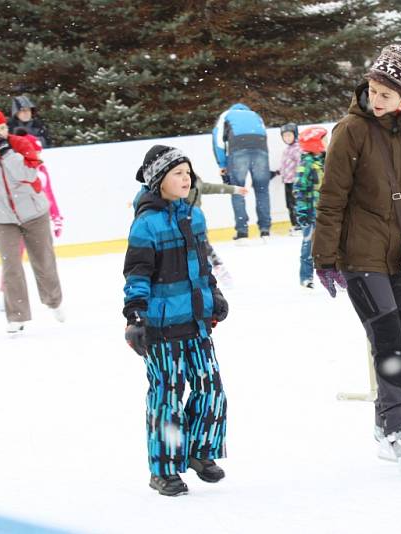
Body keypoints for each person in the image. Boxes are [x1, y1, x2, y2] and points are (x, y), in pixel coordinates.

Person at [312, 44, 401, 476]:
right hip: (360, 251)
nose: (376, 100)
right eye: (372, 90)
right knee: (385, 335)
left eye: (385, 93)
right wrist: (325, 256)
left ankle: (386, 422)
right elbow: (332, 197)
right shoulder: (350, 130)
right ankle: (400, 426)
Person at [123, 145, 229, 496]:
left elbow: (201, 266)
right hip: (161, 327)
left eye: (188, 172)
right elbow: (137, 273)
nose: (186, 179)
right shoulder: (146, 223)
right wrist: (135, 315)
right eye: (178, 173)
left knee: (211, 389)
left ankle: (199, 452)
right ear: (159, 180)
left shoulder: (193, 217)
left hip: (197, 322)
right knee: (167, 396)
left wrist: (214, 296)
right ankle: (163, 469)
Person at [0, 107, 64, 333]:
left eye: (2, 128)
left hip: (34, 214)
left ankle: (53, 301)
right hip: (2, 219)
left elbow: (29, 175)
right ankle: (17, 317)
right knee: (11, 267)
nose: (0, 133)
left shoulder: (20, 144)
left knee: (44, 262)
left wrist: (7, 153)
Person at [212, 103, 271, 242]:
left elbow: (218, 141)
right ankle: (265, 230)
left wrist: (222, 164)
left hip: (238, 149)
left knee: (237, 190)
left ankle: (242, 232)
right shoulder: (255, 115)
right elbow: (264, 136)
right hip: (261, 150)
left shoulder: (226, 115)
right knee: (262, 190)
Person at [294, 126, 327, 290]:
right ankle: (306, 277)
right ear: (314, 143)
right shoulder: (306, 163)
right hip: (311, 212)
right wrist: (303, 212)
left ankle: (331, 275)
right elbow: (299, 189)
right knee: (309, 245)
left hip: (326, 212)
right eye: (323, 139)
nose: (326, 143)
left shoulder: (324, 160)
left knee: (329, 244)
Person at [278, 123, 302, 235]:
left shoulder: (297, 148)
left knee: (295, 204)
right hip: (287, 181)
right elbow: (285, 165)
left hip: (295, 182)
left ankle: (299, 225)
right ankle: (295, 224)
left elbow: (300, 164)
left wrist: (299, 178)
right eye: (285, 136)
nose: (287, 138)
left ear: (295, 135)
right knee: (289, 205)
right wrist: (276, 173)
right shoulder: (287, 149)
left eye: (289, 135)